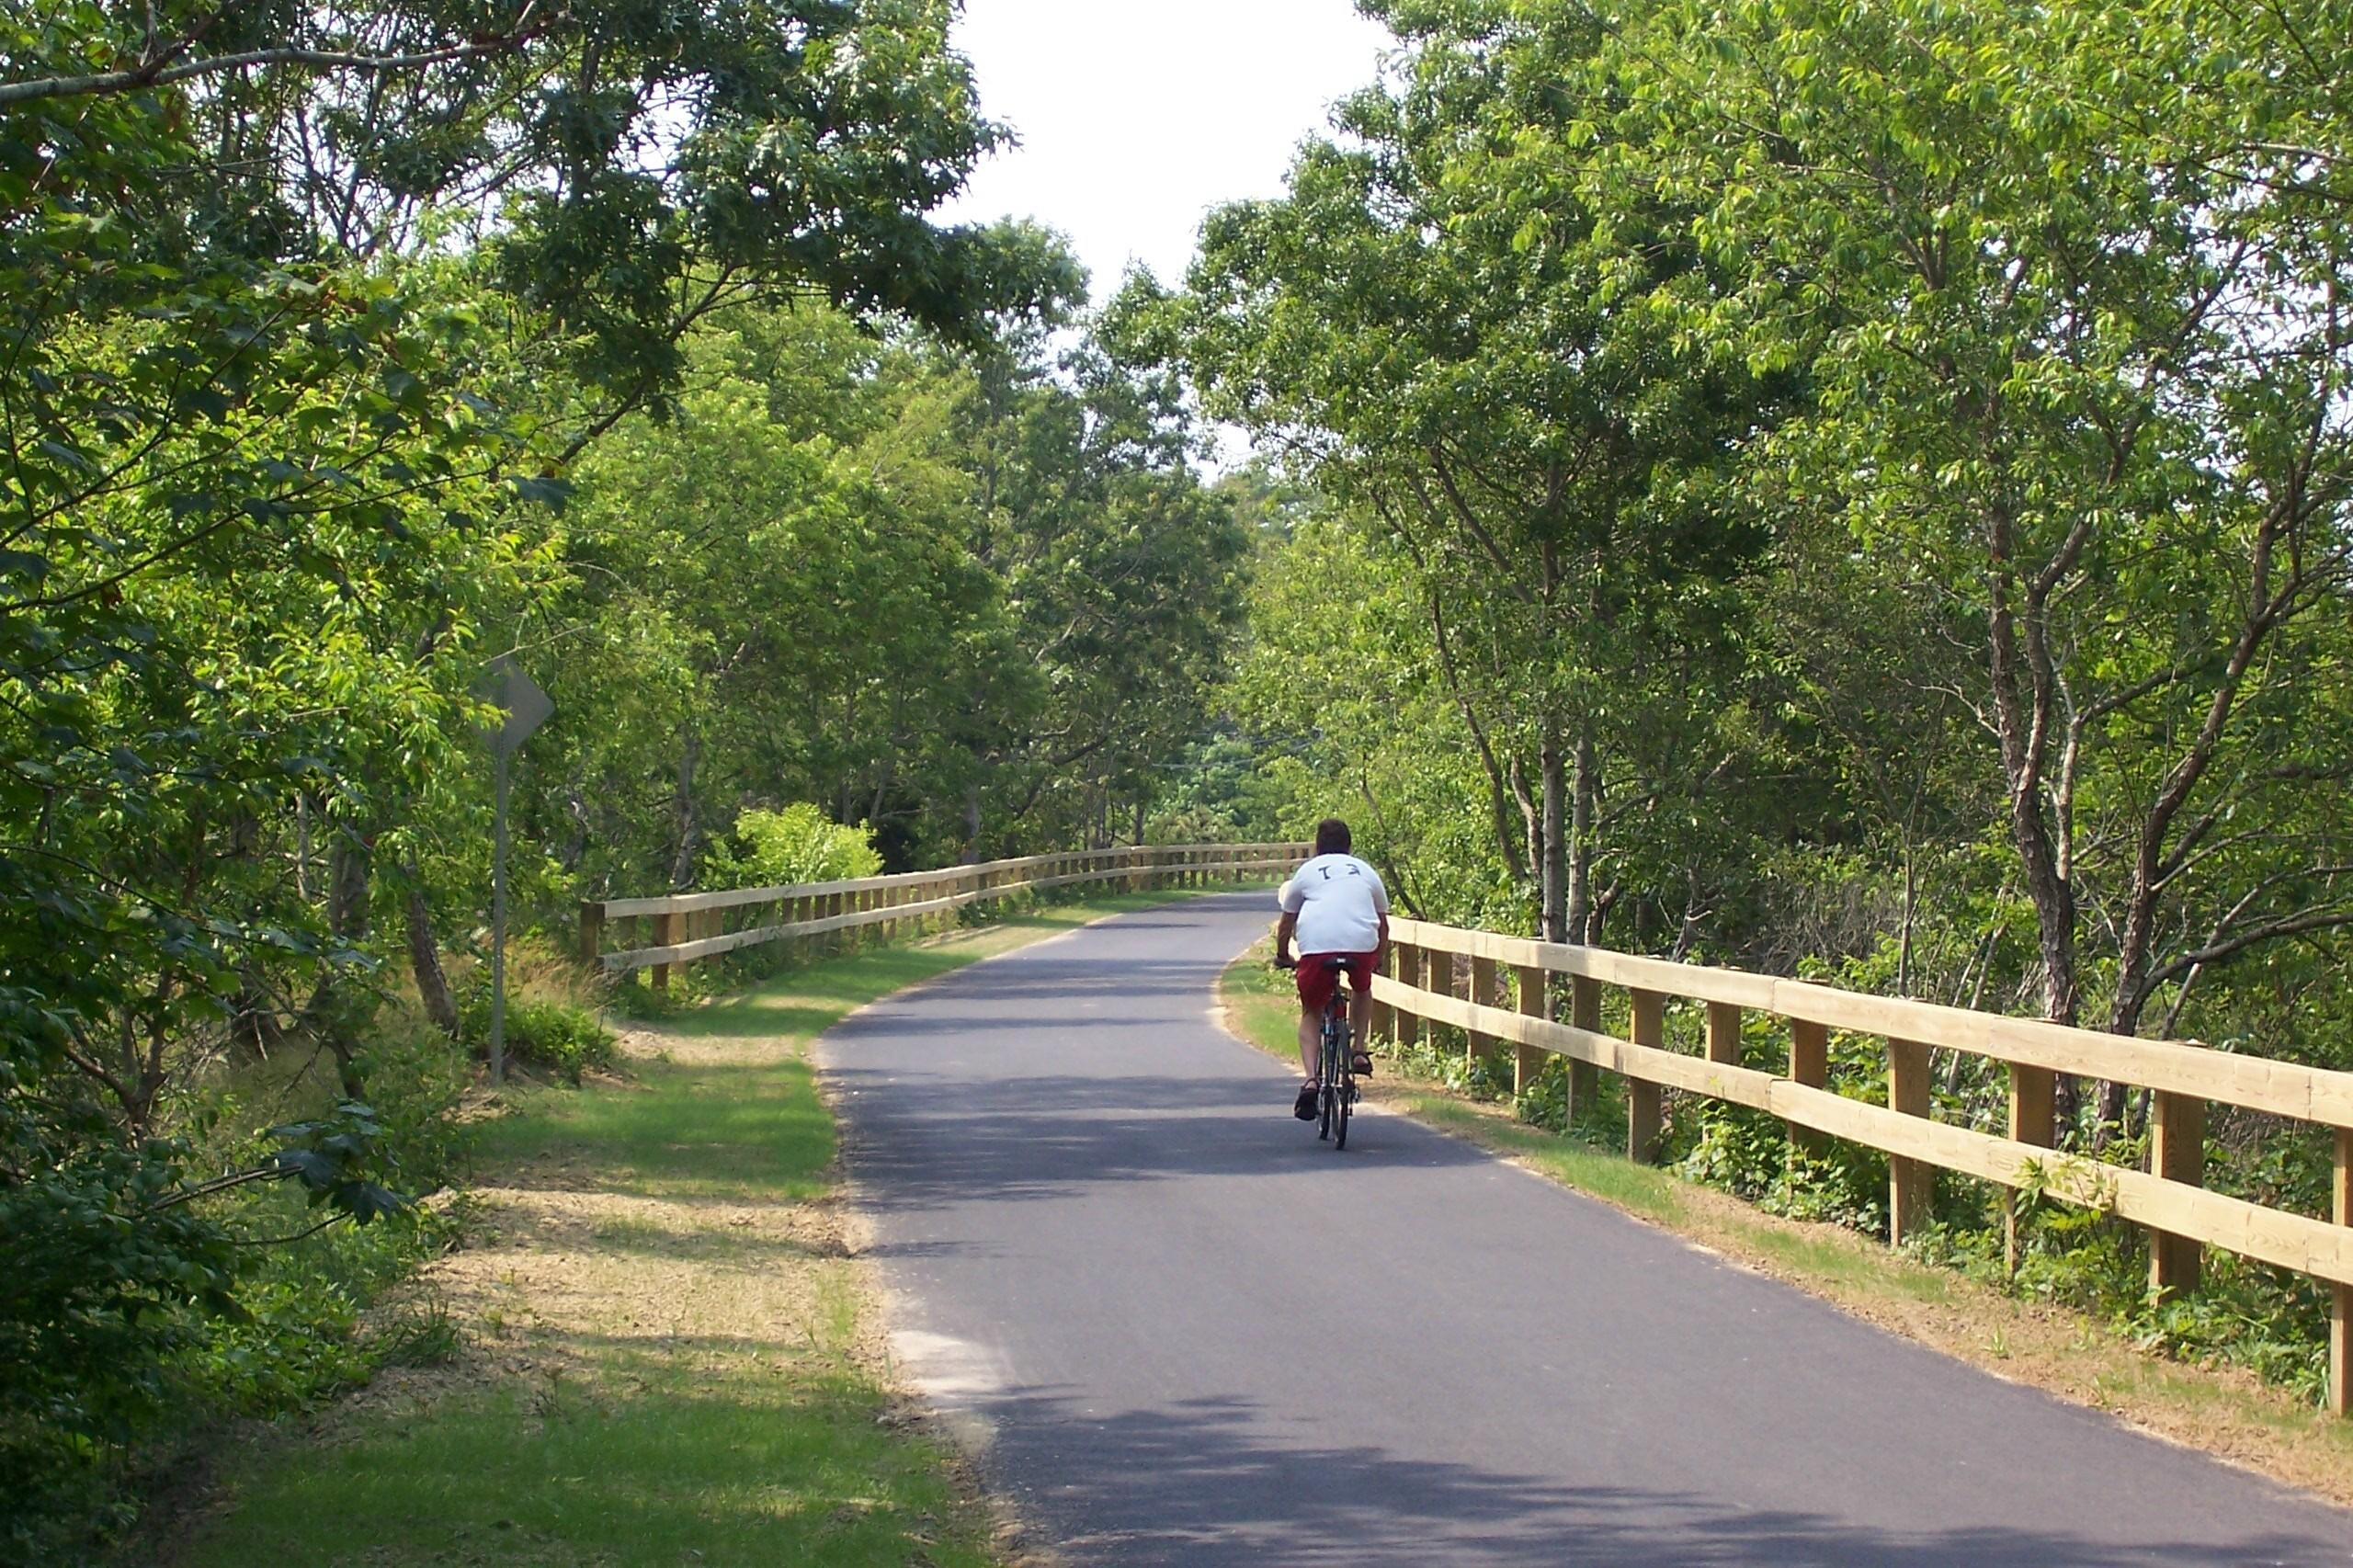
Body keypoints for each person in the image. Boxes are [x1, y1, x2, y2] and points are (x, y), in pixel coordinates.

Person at [1273, 817, 1390, 1120]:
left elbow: (1287, 922)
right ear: (1349, 847)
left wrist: (1283, 955)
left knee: (1312, 1011)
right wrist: (1378, 957)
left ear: (1317, 847)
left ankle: (1311, 1079)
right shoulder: (1366, 871)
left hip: (1317, 947)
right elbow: (1384, 923)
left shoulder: (1307, 871)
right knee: (1362, 989)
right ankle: (1360, 1049)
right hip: (1361, 944)